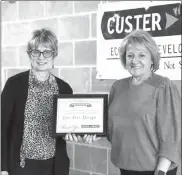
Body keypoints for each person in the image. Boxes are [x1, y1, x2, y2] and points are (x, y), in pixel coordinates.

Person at [1, 28, 75, 175]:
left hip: (54, 166)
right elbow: (2, 127)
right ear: (30, 55)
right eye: (36, 51)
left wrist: (72, 133)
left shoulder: (65, 88)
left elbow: (67, 127)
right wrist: (3, 168)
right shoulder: (14, 85)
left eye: (47, 51)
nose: (41, 57)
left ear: (54, 55)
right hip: (21, 166)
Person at [108, 30, 181, 175]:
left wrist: (161, 171)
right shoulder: (117, 87)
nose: (135, 61)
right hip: (125, 167)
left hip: (156, 170)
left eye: (142, 55)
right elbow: (111, 128)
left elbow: (171, 138)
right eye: (130, 55)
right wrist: (86, 132)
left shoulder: (163, 86)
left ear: (152, 59)